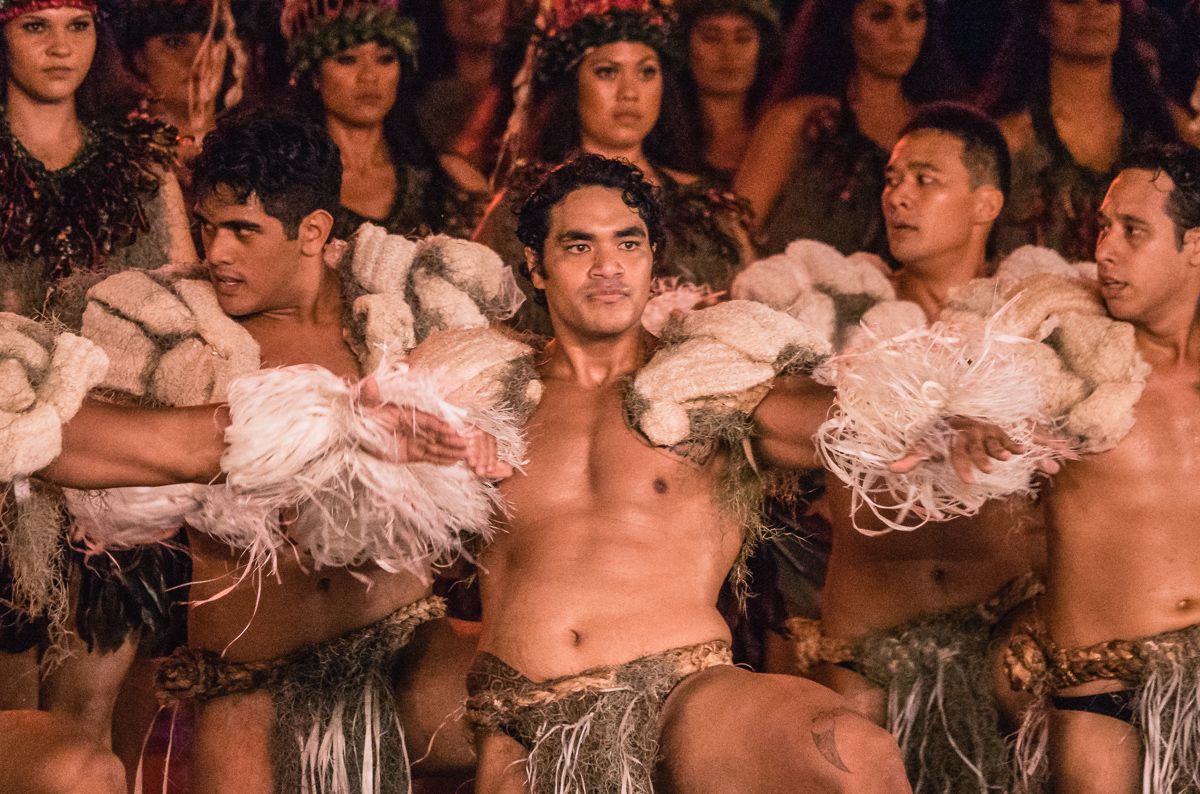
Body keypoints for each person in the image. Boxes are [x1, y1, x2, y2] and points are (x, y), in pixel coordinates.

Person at [19, 109, 513, 793]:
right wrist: (321, 425)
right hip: (252, 676)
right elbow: (64, 445)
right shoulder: (176, 337)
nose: (215, 251)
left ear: (312, 232)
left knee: (535, 697)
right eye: (208, 225)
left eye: (242, 231)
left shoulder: (397, 318)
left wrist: (479, 445)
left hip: (400, 655)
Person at [465, 152, 911, 793]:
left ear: (653, 259)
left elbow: (826, 417)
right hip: (520, 714)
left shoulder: (708, 386)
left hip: (680, 695)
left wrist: (925, 421)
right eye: (578, 246)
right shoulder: (490, 392)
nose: (607, 267)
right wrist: (429, 443)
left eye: (628, 242)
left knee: (852, 754)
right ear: (535, 265)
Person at [763, 103, 1046, 792]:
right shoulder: (830, 311)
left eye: (926, 178)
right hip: (864, 641)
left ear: (987, 203)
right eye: (894, 178)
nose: (899, 194)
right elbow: (763, 415)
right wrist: (893, 415)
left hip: (1006, 627)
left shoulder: (1035, 323)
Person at [0, 0, 195, 763]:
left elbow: (182, 307)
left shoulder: (142, 165)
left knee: (92, 716)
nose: (60, 48)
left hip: (114, 478)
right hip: (8, 473)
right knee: (14, 723)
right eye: (34, 26)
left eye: (78, 26)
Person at [993, 144, 1200, 793]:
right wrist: (974, 418)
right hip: (1096, 687)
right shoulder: (1064, 357)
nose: (1105, 249)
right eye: (1104, 227)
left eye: (1133, 231)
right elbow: (965, 397)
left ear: (1195, 245)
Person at [473, 0, 754, 337]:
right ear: (573, 84)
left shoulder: (709, 206)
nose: (629, 93)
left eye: (646, 71)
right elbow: (487, 329)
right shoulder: (523, 208)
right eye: (607, 71)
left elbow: (753, 318)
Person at [734, 0, 963, 257]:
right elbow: (736, 232)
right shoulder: (803, 120)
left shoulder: (938, 133)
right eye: (881, 16)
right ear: (845, 25)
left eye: (914, 16)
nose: (902, 33)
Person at [981, 0, 1185, 261]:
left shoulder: (1167, 130)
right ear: (1041, 18)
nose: (1093, 9)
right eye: (1073, 1)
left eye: (1106, 0)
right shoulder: (1007, 143)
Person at [282, 0, 489, 240]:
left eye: (385, 58)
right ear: (315, 75)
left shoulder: (456, 182)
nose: (369, 77)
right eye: (347, 59)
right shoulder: (289, 186)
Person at [677, 0, 781, 182]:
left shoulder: (782, 137)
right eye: (711, 38)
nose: (729, 53)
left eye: (743, 39)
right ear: (685, 46)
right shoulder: (662, 143)